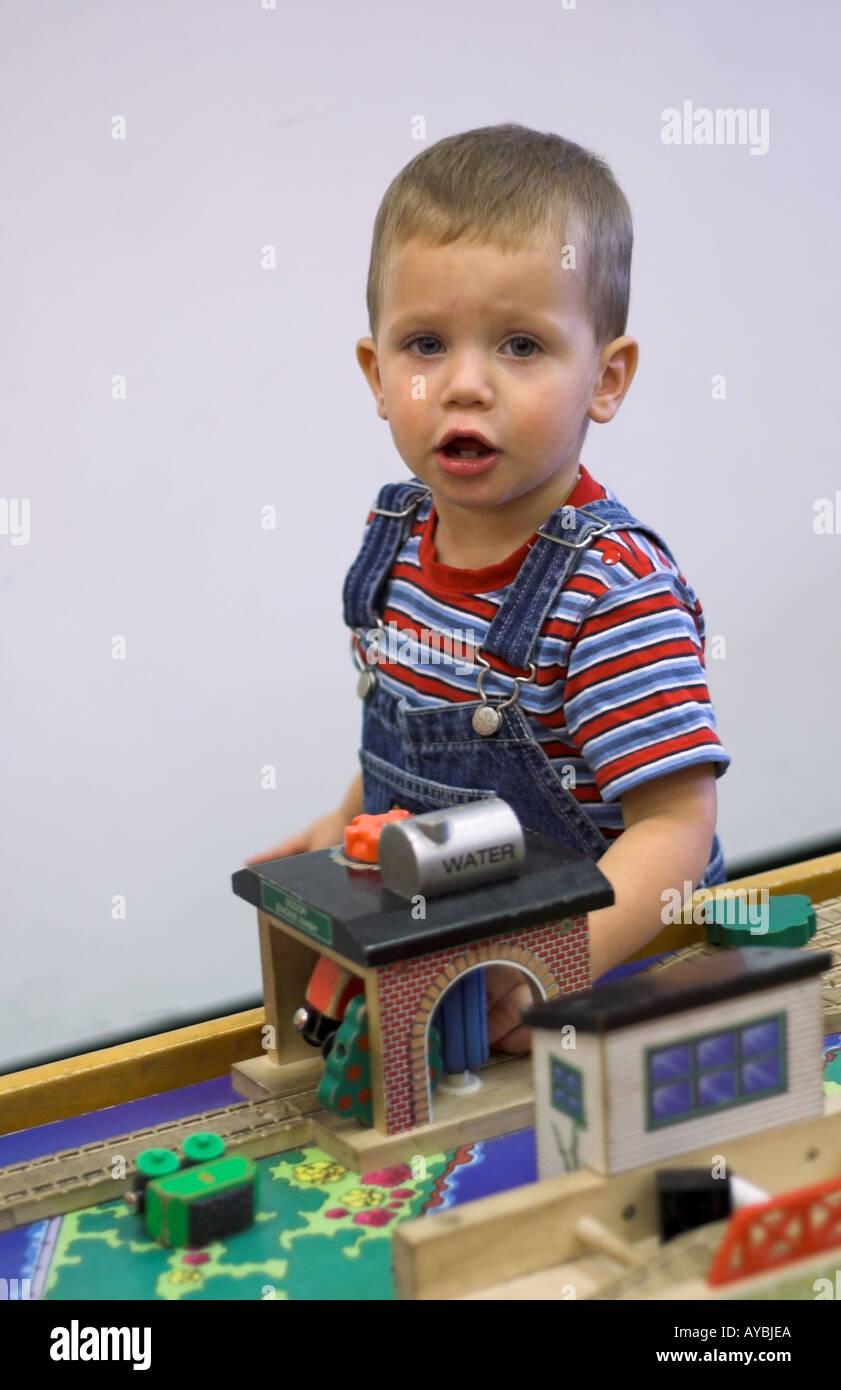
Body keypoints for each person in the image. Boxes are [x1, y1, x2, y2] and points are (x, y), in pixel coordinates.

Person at [247, 123, 730, 1056]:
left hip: (610, 971)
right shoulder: (392, 543)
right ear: (376, 375)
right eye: (425, 344)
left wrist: (553, 963)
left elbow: (673, 829)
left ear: (606, 376)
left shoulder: (609, 589)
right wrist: (341, 825)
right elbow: (405, 729)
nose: (463, 385)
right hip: (455, 932)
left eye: (519, 345)